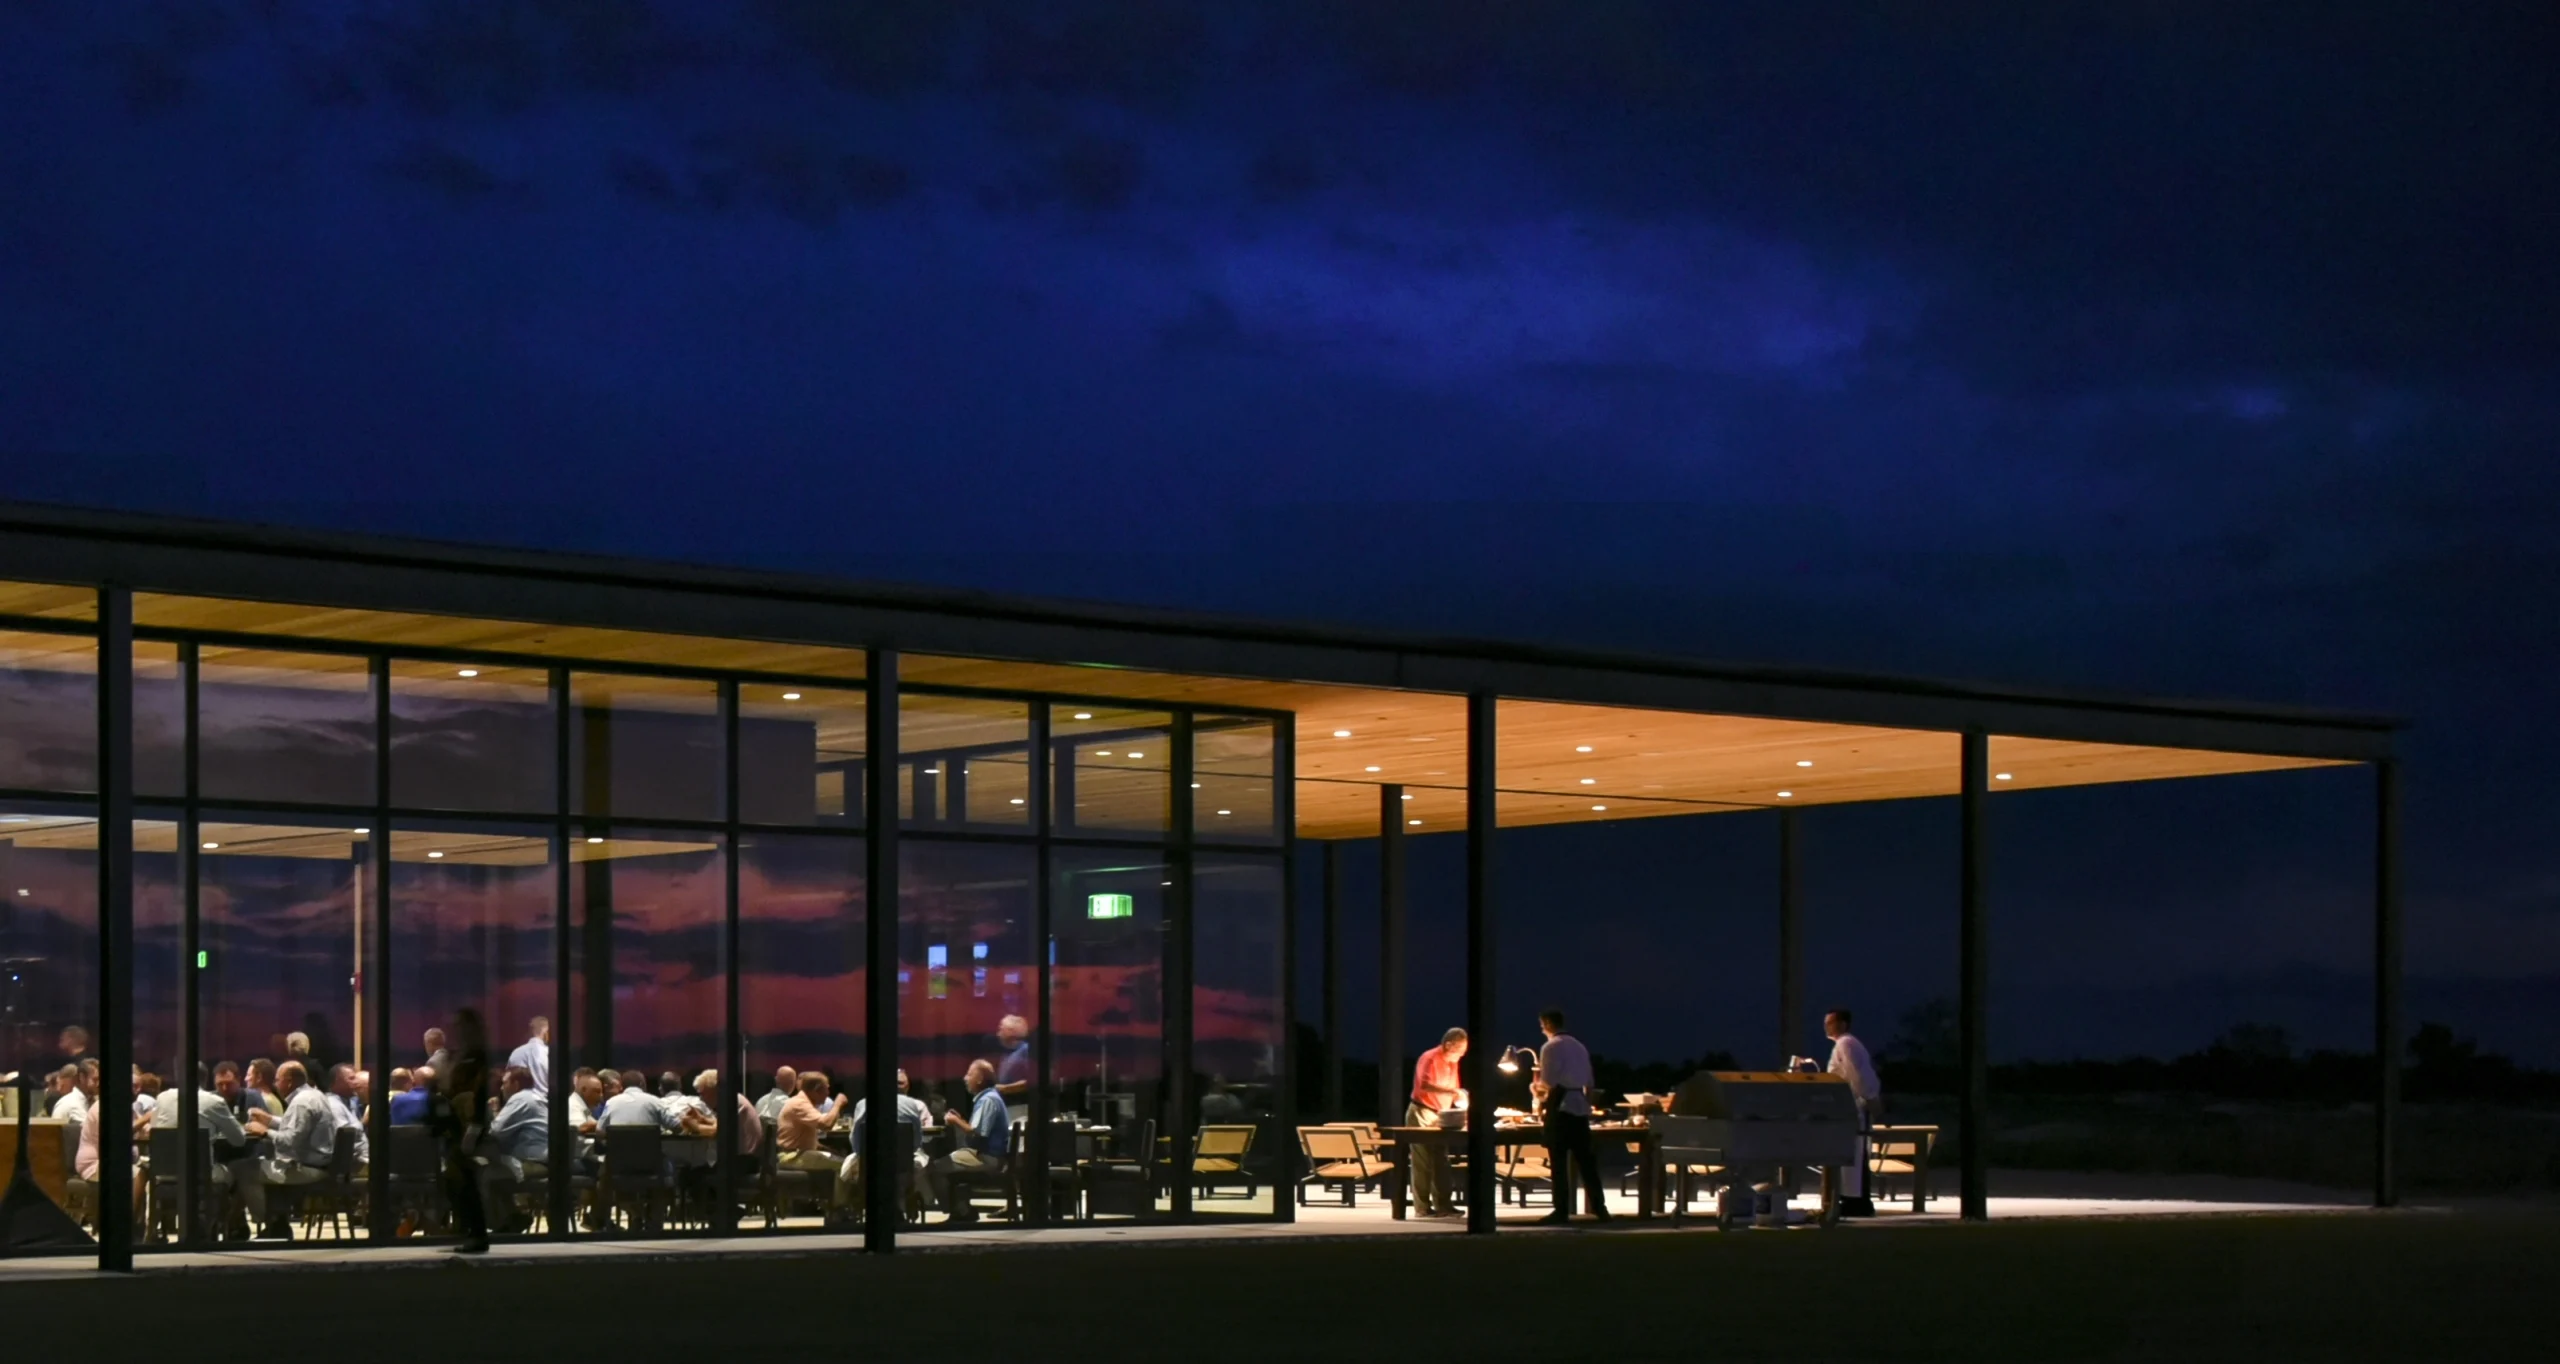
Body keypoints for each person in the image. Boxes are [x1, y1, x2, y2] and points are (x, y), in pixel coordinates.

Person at [243, 1060, 336, 1239]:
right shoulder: (314, 1095)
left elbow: (289, 1142)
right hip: (319, 1162)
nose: (276, 1084)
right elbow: (296, 1128)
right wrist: (269, 1119)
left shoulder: (301, 1102)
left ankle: (264, 1222)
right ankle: (278, 1224)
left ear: (290, 1081)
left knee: (244, 1169)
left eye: (278, 1080)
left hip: (309, 1167)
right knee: (266, 1167)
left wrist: (264, 1132)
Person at [1533, 1009, 1607, 1224]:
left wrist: (1536, 1090)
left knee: (1558, 1161)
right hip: (1580, 1105)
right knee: (1586, 1161)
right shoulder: (1579, 1046)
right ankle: (1600, 1208)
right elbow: (1590, 1082)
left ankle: (1561, 1209)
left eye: (1541, 1025)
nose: (1541, 1029)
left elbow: (1548, 1082)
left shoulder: (1550, 1047)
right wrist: (1588, 1105)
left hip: (1561, 1105)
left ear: (1547, 1024)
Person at [435, 1010, 493, 1254]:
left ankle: (476, 1233)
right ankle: (469, 1230)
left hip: (468, 1124)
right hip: (458, 1125)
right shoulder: (462, 1055)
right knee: (456, 1180)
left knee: (464, 1180)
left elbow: (476, 1095)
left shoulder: (475, 1057)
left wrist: (474, 1128)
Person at [926, 1060, 1010, 1224]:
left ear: (979, 1079)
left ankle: (960, 1212)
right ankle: (962, 1209)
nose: (965, 1078)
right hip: (987, 1155)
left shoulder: (988, 1100)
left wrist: (955, 1121)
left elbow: (978, 1132)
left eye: (969, 1074)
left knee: (934, 1168)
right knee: (946, 1164)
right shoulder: (990, 1097)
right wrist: (961, 1119)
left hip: (987, 1157)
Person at [839, 1069, 931, 1216]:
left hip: (870, 1162)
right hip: (903, 1162)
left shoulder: (863, 1103)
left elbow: (855, 1136)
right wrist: (910, 1151)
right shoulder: (911, 1104)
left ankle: (842, 1208)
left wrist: (860, 1154)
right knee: (922, 1163)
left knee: (846, 1166)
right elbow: (916, 1139)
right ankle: (911, 1199)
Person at [1824, 1009, 1882, 1218]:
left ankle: (1856, 1201)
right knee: (1854, 1156)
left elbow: (1857, 1074)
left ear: (1842, 1024)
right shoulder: (1847, 1044)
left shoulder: (1846, 1044)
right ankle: (1853, 1198)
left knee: (1855, 1156)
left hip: (1855, 1107)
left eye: (1830, 1022)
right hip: (1852, 1107)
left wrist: (1869, 1098)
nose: (1826, 1027)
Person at [1404, 1028, 1468, 1217]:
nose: (1460, 1055)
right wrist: (1452, 1093)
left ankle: (1444, 1204)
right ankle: (1422, 1208)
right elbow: (1425, 1085)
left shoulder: (1452, 1063)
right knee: (1423, 1160)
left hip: (1440, 1114)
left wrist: (1463, 1101)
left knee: (1441, 1160)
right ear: (1448, 1045)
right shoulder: (1430, 1058)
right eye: (1459, 1051)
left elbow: (1455, 1089)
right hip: (1422, 1110)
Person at [485, 1063, 550, 1229]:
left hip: (535, 1162)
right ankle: (512, 1218)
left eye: (505, 1082)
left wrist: (493, 1111)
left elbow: (495, 1131)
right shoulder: (536, 1096)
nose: (501, 1087)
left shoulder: (520, 1099)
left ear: (516, 1084)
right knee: (494, 1172)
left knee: (483, 1174)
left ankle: (505, 1222)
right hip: (545, 1159)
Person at [601, 1067, 679, 1131]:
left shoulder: (610, 1103)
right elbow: (676, 1125)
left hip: (617, 1149)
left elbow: (599, 1130)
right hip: (648, 1149)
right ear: (642, 1084)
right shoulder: (654, 1101)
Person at [324, 1063, 370, 1169]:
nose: (357, 1082)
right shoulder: (333, 1105)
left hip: (363, 1161)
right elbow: (345, 1141)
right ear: (337, 1082)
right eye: (351, 1078)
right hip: (354, 1166)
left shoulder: (350, 1102)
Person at [505, 1017, 551, 1096]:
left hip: (517, 1103)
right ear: (546, 1033)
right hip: (545, 1104)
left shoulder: (516, 1053)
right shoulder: (548, 1053)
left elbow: (506, 1081)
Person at [992, 1016, 1033, 1101]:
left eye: (1001, 1029)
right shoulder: (1006, 1053)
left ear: (1012, 1031)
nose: (998, 1034)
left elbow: (1032, 1081)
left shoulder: (1026, 1050)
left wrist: (1005, 1088)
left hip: (1020, 1106)